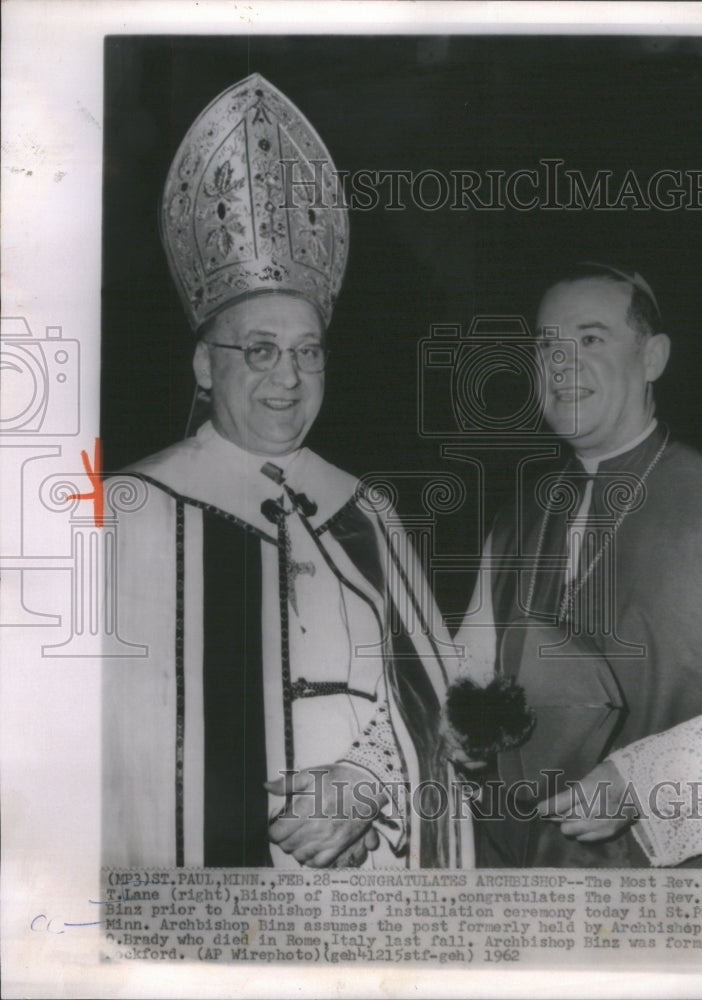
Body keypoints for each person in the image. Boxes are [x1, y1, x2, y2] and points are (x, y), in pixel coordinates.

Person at [102, 73, 467, 870]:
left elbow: (445, 699)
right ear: (205, 365)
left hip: (368, 883)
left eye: (308, 353)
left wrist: (368, 785)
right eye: (259, 351)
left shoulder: (367, 514)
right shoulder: (122, 513)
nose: (288, 378)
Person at [451, 262, 702, 868]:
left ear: (652, 358)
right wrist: (459, 729)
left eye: (590, 339)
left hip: (677, 895)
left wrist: (642, 781)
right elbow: (467, 673)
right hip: (519, 880)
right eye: (546, 346)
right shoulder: (514, 518)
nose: (562, 365)